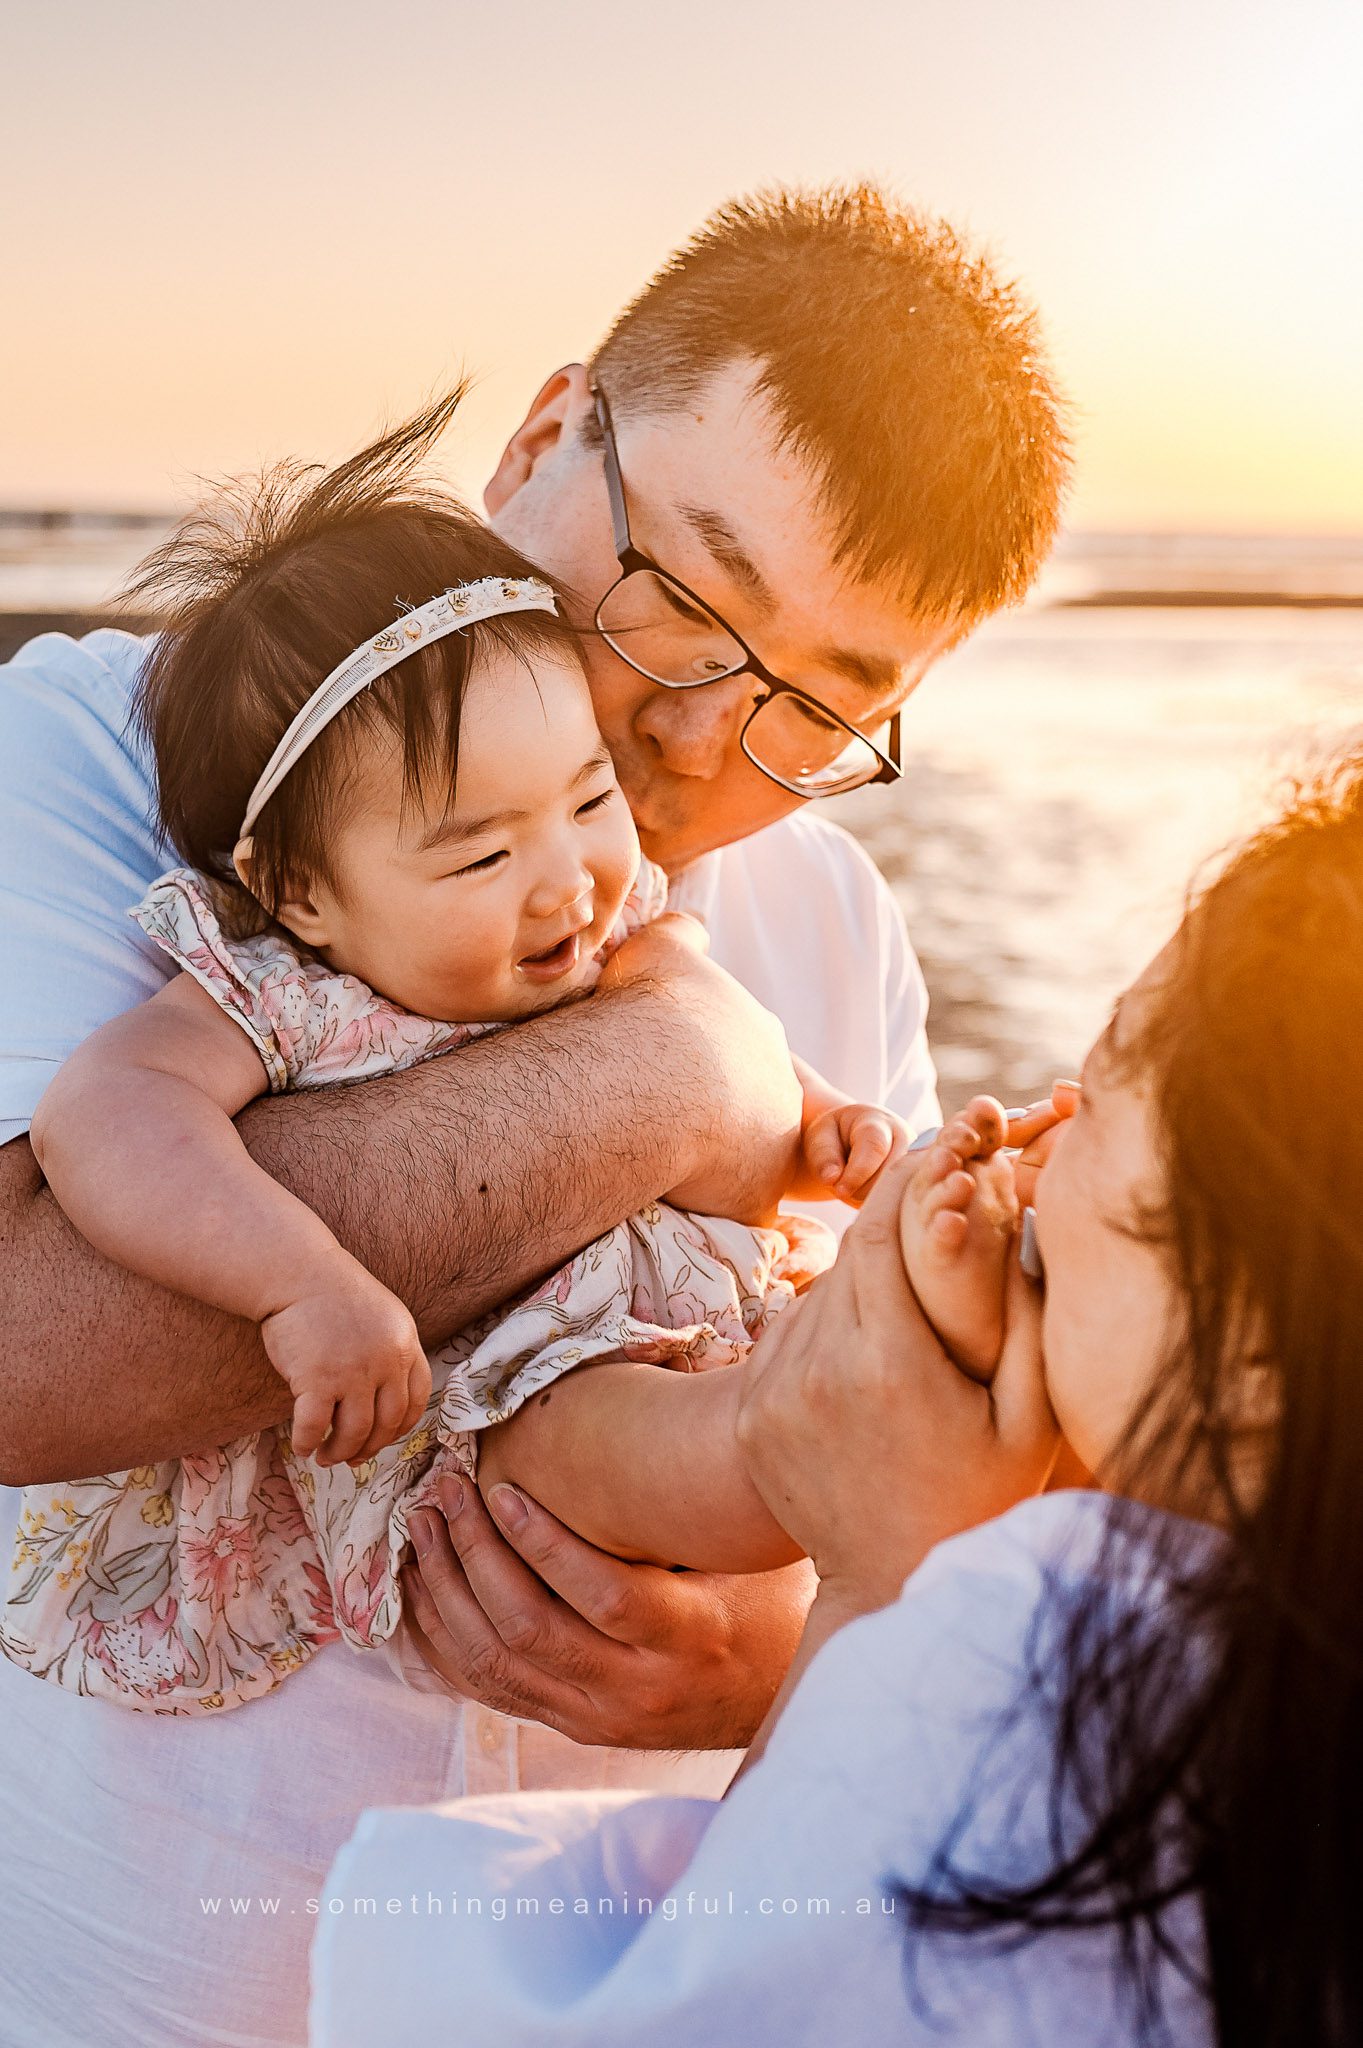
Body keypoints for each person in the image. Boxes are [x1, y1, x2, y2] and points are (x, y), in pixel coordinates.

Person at [0, 185, 1068, 2044]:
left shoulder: (830, 920)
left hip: (576, 1985)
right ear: (547, 432)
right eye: (681, 600)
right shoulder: (108, 752)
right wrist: (674, 1075)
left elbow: (902, 1501)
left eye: (816, 709)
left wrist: (776, 1652)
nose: (698, 744)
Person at [314, 751, 1363, 2048]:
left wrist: (877, 1587)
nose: (1048, 1131)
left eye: (1114, 1077)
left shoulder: (1030, 1664)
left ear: (1260, 1341)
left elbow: (682, 2015)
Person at [12, 403, 913, 1715]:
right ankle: (804, 1446)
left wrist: (829, 1125)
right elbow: (111, 1113)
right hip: (526, 1407)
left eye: (589, 800)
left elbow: (743, 1051)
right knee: (588, 1440)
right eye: (481, 855)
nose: (568, 883)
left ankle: (863, 1429)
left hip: (684, 1337)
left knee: (812, 1359)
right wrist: (300, 1286)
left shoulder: (644, 922)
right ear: (305, 892)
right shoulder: (279, 990)